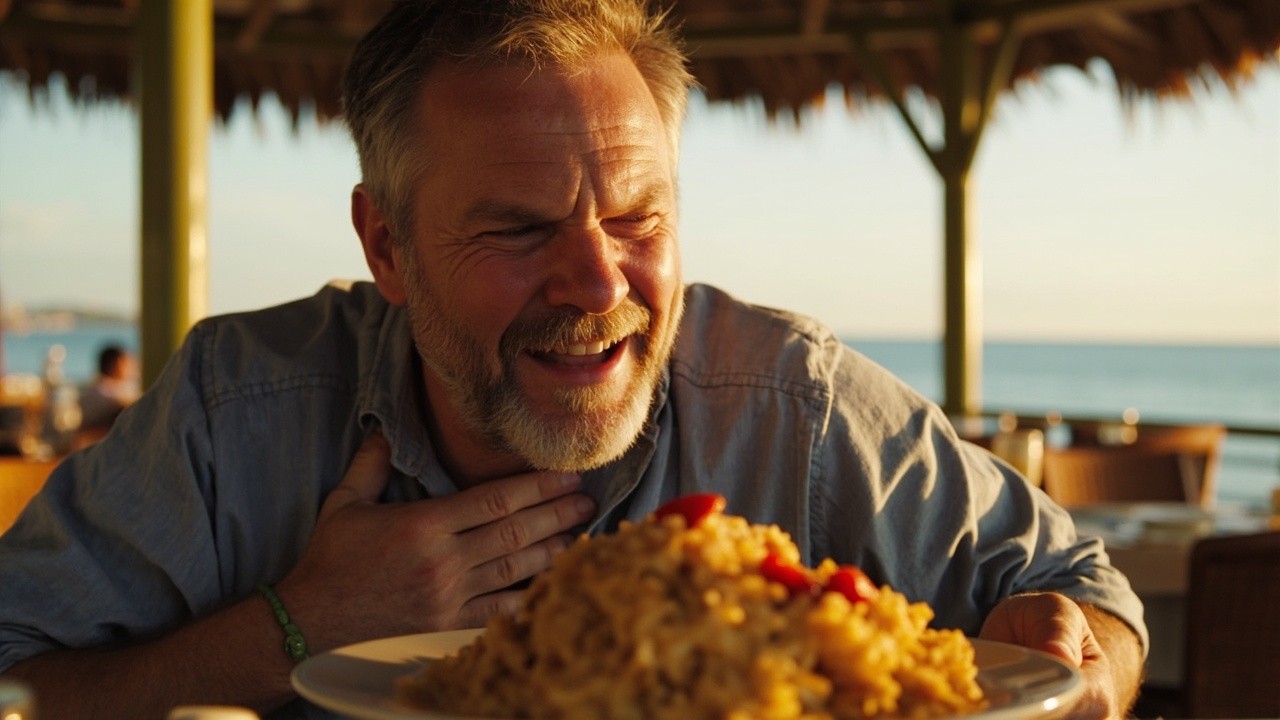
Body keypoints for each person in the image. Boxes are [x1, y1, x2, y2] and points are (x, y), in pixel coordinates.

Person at [0, 1, 1146, 718]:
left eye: (638, 220)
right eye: (515, 229)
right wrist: (293, 626)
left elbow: (1084, 601)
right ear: (386, 246)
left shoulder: (787, 403)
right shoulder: (236, 410)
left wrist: (1073, 666)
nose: (599, 286)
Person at [77, 344, 140, 432]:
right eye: (129, 362)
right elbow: (121, 404)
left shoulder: (113, 387)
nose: (135, 366)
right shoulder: (101, 389)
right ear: (119, 363)